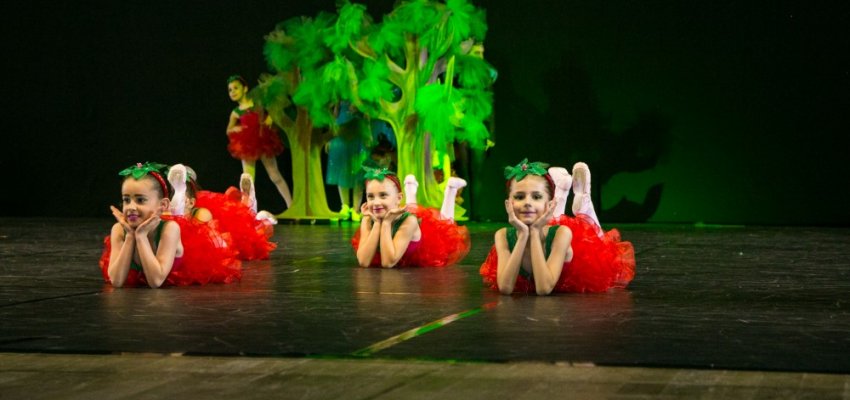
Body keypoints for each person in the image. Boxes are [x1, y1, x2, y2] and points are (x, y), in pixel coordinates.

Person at [479, 159, 635, 295]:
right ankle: (562, 191)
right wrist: (523, 236)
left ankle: (584, 202)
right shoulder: (502, 235)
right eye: (519, 197)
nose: (527, 202)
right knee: (548, 219)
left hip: (580, 266)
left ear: (549, 204)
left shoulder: (562, 233)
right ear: (508, 204)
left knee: (598, 241)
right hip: (544, 224)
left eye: (536, 197)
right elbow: (505, 288)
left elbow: (543, 288)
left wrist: (533, 232)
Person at [99, 162, 241, 288]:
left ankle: (180, 197)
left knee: (211, 239)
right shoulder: (119, 230)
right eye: (126, 199)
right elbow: (116, 281)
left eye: (140, 200)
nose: (131, 206)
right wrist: (130, 236)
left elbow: (155, 281)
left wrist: (141, 236)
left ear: (163, 204)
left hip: (186, 268)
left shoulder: (170, 229)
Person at [352, 165, 470, 268]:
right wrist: (377, 223)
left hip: (426, 245)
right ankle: (410, 187)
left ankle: (451, 189)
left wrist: (386, 223)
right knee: (411, 209)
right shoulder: (368, 218)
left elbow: (388, 262)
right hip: (397, 214)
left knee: (446, 226)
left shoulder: (409, 221)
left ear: (399, 198)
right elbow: (363, 261)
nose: (376, 202)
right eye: (371, 197)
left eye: (383, 196)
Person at [168, 164, 276, 261]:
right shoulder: (167, 212)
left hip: (222, 244)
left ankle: (250, 205)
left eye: (179, 197)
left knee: (249, 235)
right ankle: (248, 205)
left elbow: (202, 240)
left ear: (191, 203)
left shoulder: (201, 213)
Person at [226, 75, 292, 212]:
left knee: (275, 175)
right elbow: (229, 130)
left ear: (245, 88)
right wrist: (236, 128)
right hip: (247, 145)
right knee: (248, 179)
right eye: (230, 90)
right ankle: (247, 211)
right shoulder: (236, 112)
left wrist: (270, 119)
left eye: (236, 88)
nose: (233, 92)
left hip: (263, 141)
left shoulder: (257, 103)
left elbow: (273, 112)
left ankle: (291, 205)